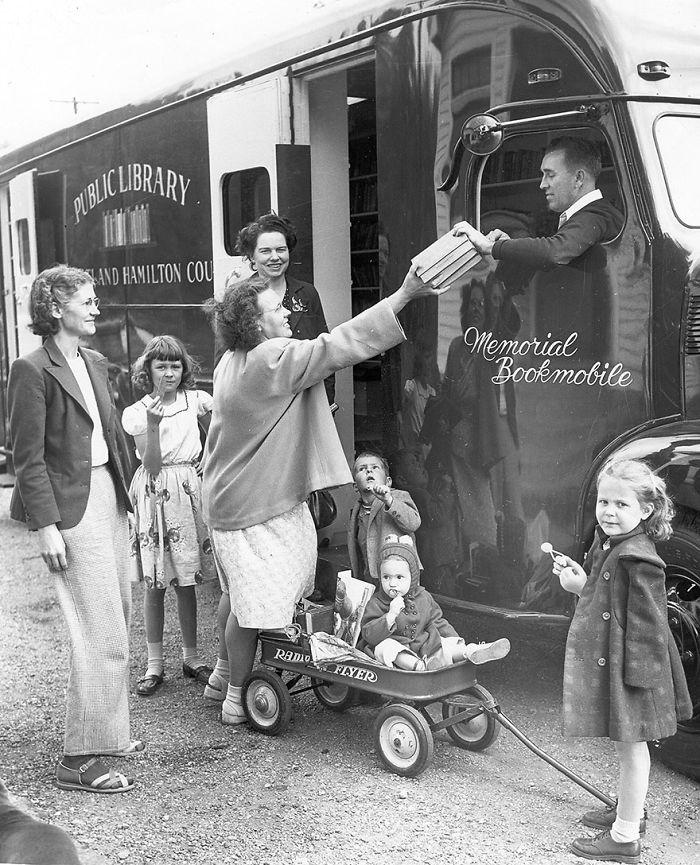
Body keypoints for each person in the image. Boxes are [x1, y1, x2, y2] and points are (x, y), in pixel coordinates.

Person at [201, 264, 447, 724]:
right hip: (255, 506)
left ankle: (222, 675)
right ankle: (237, 694)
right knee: (255, 608)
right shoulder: (270, 357)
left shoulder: (230, 359)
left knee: (239, 596)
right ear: (255, 324)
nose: (289, 310)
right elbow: (340, 345)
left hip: (228, 500)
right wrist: (405, 294)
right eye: (277, 307)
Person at [8, 265, 137, 794]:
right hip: (70, 507)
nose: (96, 308)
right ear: (56, 308)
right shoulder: (31, 368)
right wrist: (46, 527)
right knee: (97, 629)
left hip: (107, 494)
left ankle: (108, 730)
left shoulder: (94, 361)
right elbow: (27, 457)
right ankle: (80, 759)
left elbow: (110, 435)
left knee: (119, 617)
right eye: (86, 300)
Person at [205, 210, 338, 699]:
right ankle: (232, 678)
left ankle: (226, 676)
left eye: (282, 248)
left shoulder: (301, 298)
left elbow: (319, 350)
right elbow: (329, 347)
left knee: (242, 586)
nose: (276, 257)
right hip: (259, 455)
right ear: (250, 255)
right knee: (246, 591)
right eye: (265, 249)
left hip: (283, 420)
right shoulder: (249, 317)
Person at [551, 458, 692, 863]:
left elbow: (648, 626)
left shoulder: (640, 559)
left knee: (633, 749)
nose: (609, 512)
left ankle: (626, 837)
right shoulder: (611, 543)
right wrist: (582, 583)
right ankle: (629, 810)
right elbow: (605, 597)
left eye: (621, 505)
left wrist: (639, 683)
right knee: (626, 746)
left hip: (635, 670)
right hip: (622, 663)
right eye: (603, 502)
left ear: (646, 510)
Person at [121, 336, 216, 697]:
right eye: (161, 366)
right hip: (156, 491)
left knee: (188, 579)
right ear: (148, 370)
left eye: (175, 365)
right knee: (156, 582)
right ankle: (154, 664)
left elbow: (224, 419)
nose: (169, 372)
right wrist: (154, 424)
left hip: (189, 489)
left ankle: (191, 658)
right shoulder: (138, 412)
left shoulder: (196, 400)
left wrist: (211, 453)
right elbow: (152, 463)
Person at [452, 136, 623, 268]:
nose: (542, 184)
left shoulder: (594, 216)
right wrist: (507, 246)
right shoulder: (595, 214)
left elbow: (554, 252)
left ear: (578, 178)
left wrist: (490, 247)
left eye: (550, 175)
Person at [360, 535, 510, 670]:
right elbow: (369, 635)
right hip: (399, 649)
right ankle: (419, 667)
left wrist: (455, 640)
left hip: (425, 646)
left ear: (412, 577)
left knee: (445, 645)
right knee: (385, 648)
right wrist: (390, 616)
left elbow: (437, 621)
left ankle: (471, 651)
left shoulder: (423, 597)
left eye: (399, 577)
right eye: (386, 577)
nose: (392, 584)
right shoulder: (377, 602)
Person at [347, 450, 422, 583]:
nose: (369, 471)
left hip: (399, 578)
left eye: (375, 467)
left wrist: (389, 501)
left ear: (388, 482)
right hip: (371, 578)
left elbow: (413, 523)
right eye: (362, 469)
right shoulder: (356, 511)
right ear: (355, 487)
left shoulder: (397, 497)